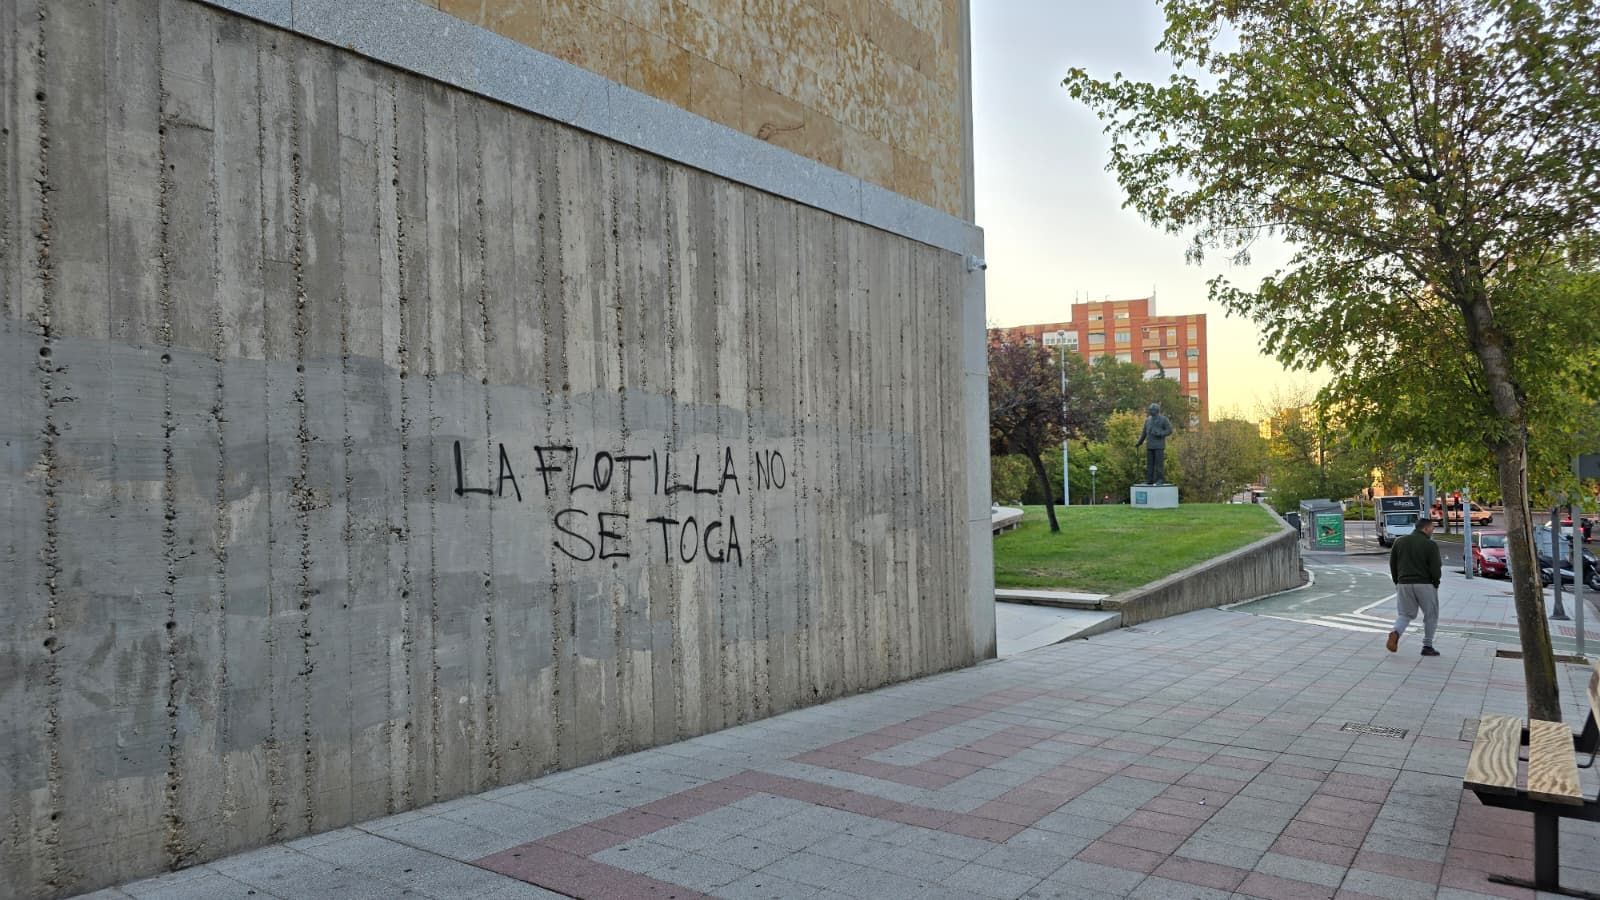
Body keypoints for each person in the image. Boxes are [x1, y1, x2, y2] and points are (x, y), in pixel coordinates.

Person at [1387, 512, 1442, 656]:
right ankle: (1427, 646)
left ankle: (1396, 633)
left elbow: (1393, 563)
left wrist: (1397, 581)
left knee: (1405, 614)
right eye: (1432, 529)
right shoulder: (1430, 544)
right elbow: (1435, 567)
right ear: (1425, 529)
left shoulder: (1399, 541)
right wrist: (1435, 583)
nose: (1432, 532)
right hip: (1425, 584)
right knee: (1431, 615)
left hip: (1403, 583)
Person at [1134, 403, 1174, 484]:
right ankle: (1149, 480)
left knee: (1159, 464)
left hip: (1159, 446)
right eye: (1150, 409)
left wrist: (1160, 433)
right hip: (1150, 445)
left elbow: (1169, 430)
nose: (1150, 411)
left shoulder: (1163, 419)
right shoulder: (1147, 420)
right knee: (1149, 464)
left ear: (1157, 410)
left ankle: (1160, 479)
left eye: (1152, 410)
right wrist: (1139, 442)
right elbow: (1144, 433)